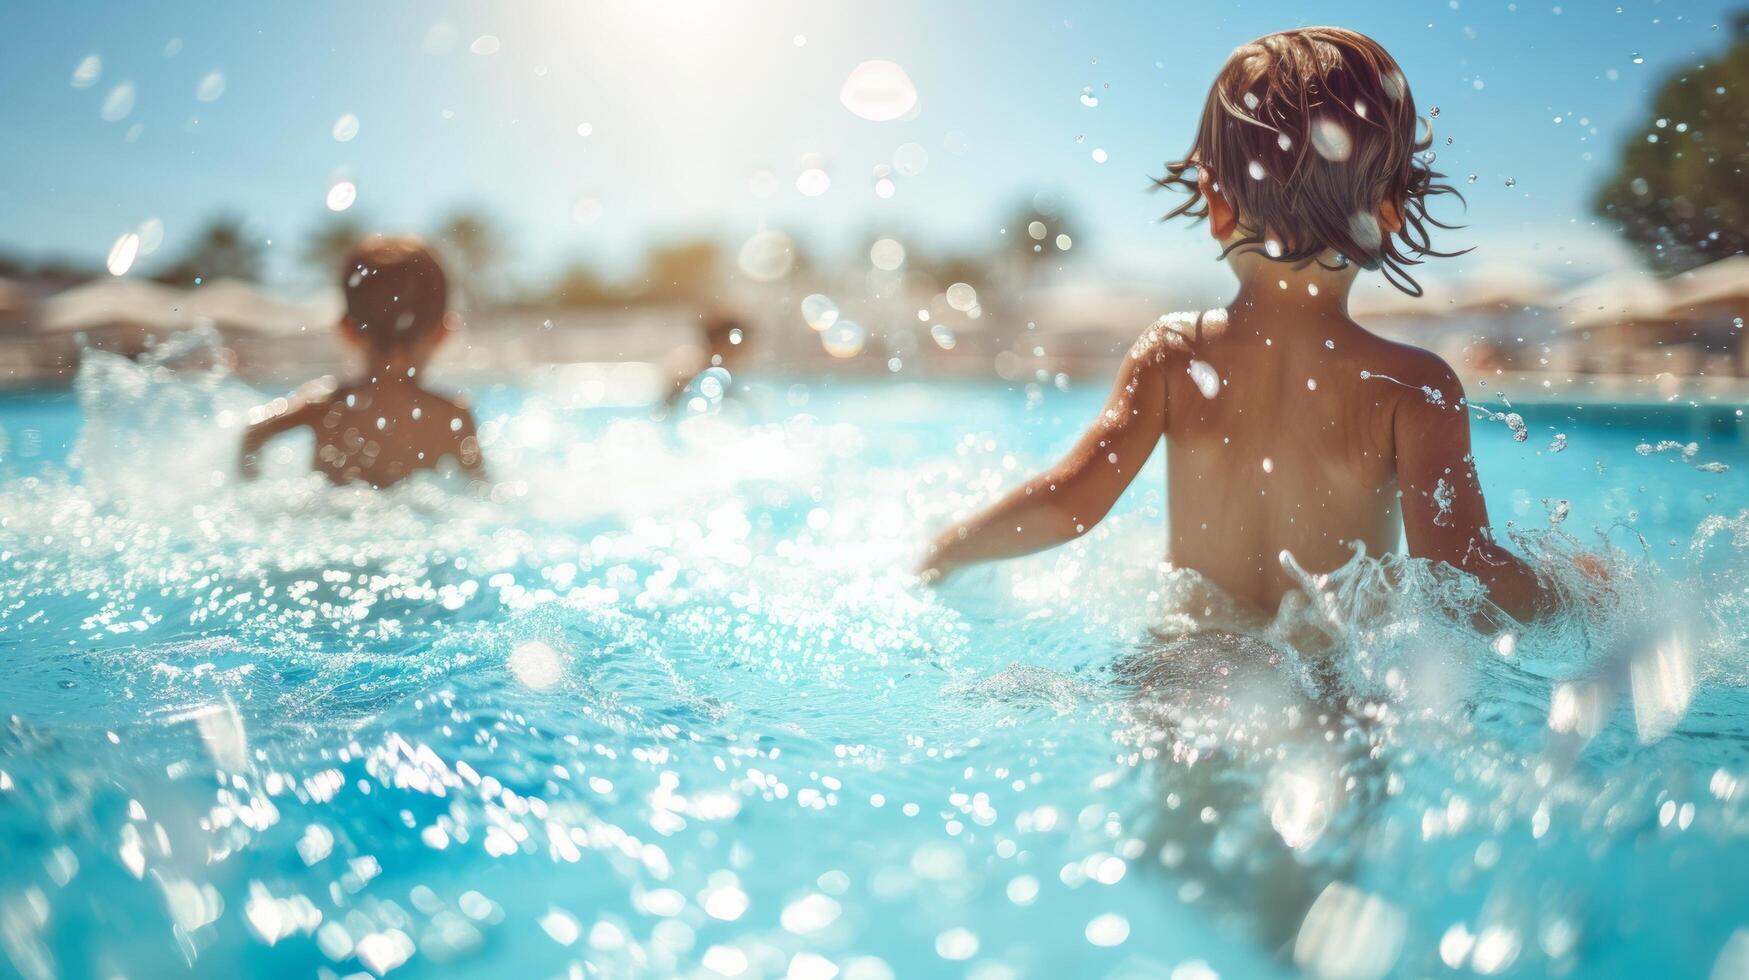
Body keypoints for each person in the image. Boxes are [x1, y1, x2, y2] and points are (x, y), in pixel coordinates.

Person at [920, 27, 1557, 622]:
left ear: (1218, 206)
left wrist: (946, 548)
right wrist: (1577, 591)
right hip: (1332, 680)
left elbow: (1066, 505)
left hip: (1184, 663)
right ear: (1390, 209)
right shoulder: (1414, 385)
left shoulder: (1173, 353)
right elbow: (1461, 573)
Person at [239, 236, 484, 488]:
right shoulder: (452, 415)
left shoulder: (322, 405)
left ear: (347, 329)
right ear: (444, 331)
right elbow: (481, 488)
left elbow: (254, 432)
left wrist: (248, 481)